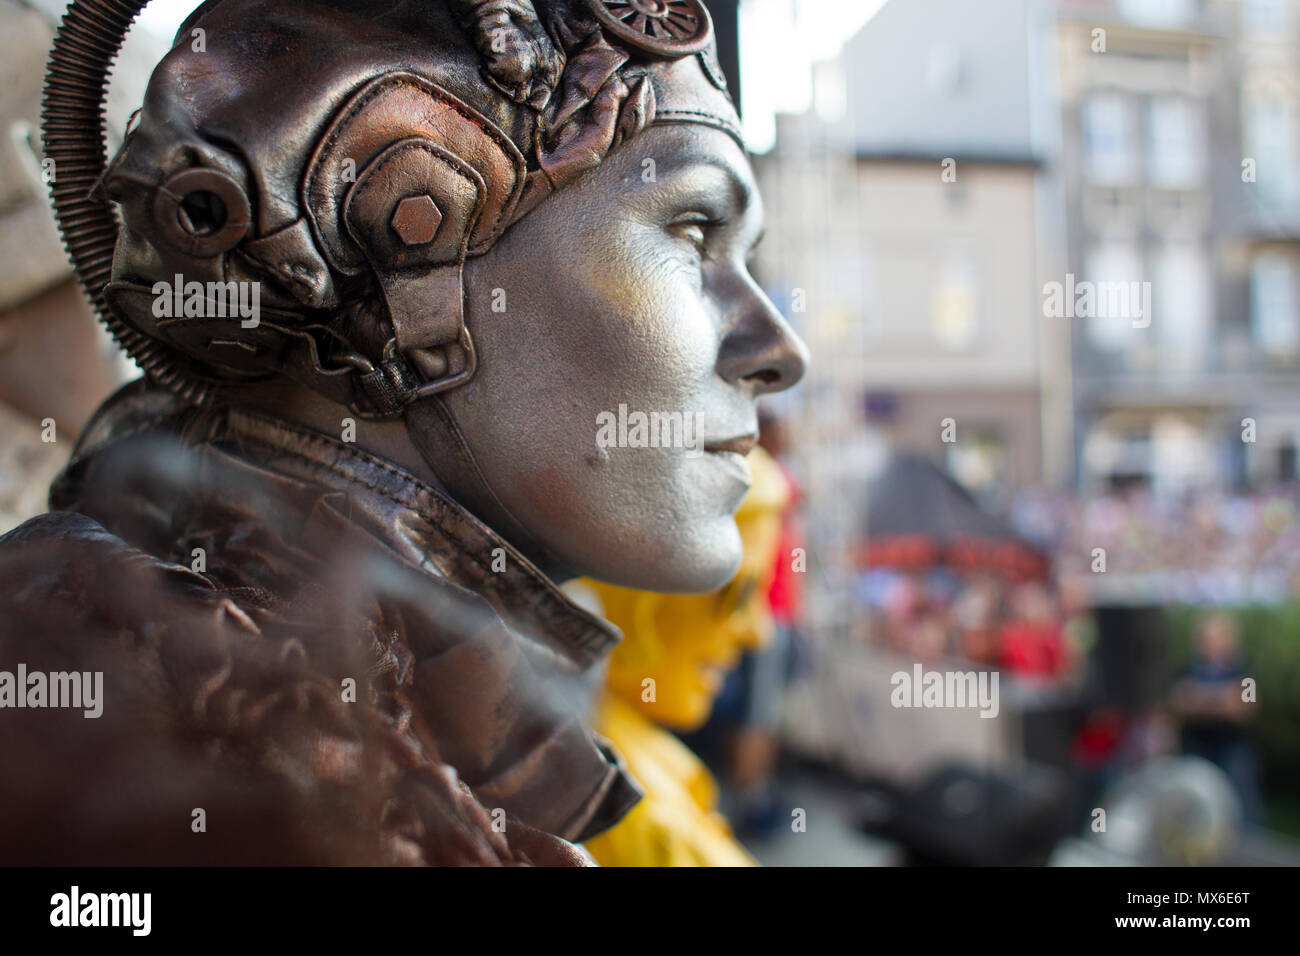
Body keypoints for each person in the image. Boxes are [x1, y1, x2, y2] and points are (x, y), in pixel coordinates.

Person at [0, 0, 806, 864]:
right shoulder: (122, 706)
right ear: (408, 236)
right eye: (691, 230)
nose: (778, 350)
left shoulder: (349, 707)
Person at [581, 445, 789, 866]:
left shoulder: (613, 759)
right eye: (737, 594)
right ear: (640, 589)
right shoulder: (649, 822)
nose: (757, 634)